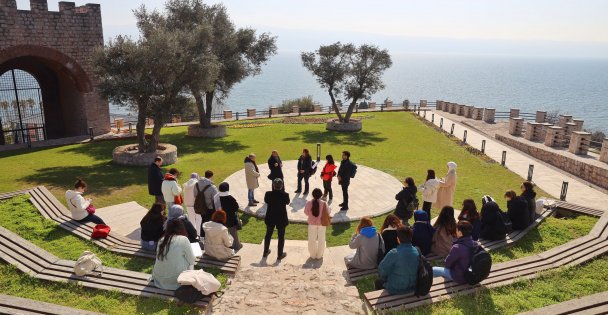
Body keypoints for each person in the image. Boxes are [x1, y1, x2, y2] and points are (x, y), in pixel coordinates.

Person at [151, 219, 196, 290]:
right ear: (181, 228)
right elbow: (192, 260)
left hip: (159, 278)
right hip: (176, 280)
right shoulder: (183, 239)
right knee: (189, 260)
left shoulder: (161, 240)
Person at [375, 226, 419, 294]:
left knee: (378, 282)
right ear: (411, 237)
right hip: (413, 286)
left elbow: (381, 270)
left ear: (398, 239)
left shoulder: (393, 253)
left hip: (396, 288)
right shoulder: (417, 251)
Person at [263, 178, 290, 260]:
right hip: (281, 218)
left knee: (268, 235)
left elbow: (266, 201)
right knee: (281, 237)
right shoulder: (285, 195)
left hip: (270, 217)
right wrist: (282, 191)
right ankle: (280, 254)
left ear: (273, 185)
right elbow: (287, 202)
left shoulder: (268, 194)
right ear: (282, 186)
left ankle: (265, 252)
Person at [304, 188, 331, 259]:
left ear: (312, 195)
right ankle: (319, 255)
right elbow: (328, 212)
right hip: (321, 224)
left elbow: (306, 213)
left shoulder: (308, 203)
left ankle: (312, 255)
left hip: (312, 224)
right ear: (321, 195)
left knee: (311, 239)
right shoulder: (324, 203)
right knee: (321, 239)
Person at [216, 182, 242, 251]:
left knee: (223, 235)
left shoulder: (217, 197)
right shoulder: (230, 198)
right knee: (234, 235)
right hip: (230, 219)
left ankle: (227, 246)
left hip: (220, 219)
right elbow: (236, 207)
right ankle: (237, 246)